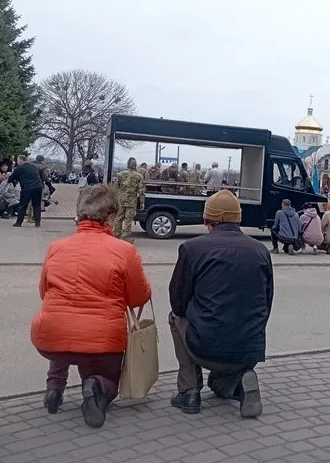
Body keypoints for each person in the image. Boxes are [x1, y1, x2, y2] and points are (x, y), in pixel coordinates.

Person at [31, 185, 151, 427]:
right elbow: (139, 298)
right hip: (101, 344)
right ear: (110, 217)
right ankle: (95, 385)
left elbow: (45, 293)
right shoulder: (124, 251)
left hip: (49, 340)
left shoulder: (56, 247)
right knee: (107, 376)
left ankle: (54, 389)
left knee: (64, 325)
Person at [168, 190, 273, 418]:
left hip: (205, 347)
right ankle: (239, 380)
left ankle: (189, 391)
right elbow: (267, 302)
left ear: (207, 220)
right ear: (239, 219)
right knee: (224, 378)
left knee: (175, 318)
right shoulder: (261, 250)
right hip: (249, 348)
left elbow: (177, 302)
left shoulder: (192, 248)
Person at [112, 157, 145, 241]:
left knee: (119, 217)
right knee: (128, 219)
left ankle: (116, 234)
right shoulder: (139, 176)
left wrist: (115, 198)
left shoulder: (120, 174)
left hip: (121, 199)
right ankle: (124, 236)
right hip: (131, 201)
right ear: (135, 165)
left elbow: (116, 188)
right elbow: (141, 191)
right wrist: (142, 202)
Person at [9, 155, 44, 228]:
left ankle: (19, 222)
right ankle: (37, 222)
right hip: (38, 187)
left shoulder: (19, 168)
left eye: (18, 161)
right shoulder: (33, 167)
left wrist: (10, 181)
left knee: (23, 205)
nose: (17, 162)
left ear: (21, 161)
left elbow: (12, 178)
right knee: (37, 205)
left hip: (27, 188)